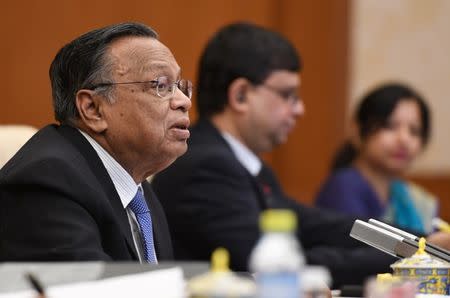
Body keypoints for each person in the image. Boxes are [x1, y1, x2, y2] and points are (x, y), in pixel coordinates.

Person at [151, 22, 405, 287]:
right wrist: (409, 259)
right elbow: (278, 267)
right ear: (240, 96)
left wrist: (416, 243)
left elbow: (316, 225)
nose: (300, 109)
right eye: (287, 95)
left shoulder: (249, 165)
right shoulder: (205, 166)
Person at [0, 22, 192, 263]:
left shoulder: (140, 192)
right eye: (160, 86)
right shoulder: (48, 183)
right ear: (93, 109)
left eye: (181, 86)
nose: (184, 101)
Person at [315, 83, 438, 234]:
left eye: (414, 131)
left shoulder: (416, 201)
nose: (404, 139)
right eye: (390, 126)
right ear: (357, 130)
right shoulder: (343, 188)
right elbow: (360, 252)